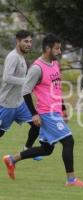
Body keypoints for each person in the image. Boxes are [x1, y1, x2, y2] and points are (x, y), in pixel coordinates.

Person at [2, 34, 83, 187]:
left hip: (55, 111)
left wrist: (62, 108)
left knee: (46, 149)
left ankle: (12, 159)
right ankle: (71, 180)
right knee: (69, 141)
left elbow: (56, 88)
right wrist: (34, 114)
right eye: (57, 48)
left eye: (60, 47)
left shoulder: (55, 63)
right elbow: (25, 91)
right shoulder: (37, 68)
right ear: (48, 48)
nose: (59, 50)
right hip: (46, 113)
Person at [0, 30, 42, 161]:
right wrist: (27, 81)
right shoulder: (13, 57)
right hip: (7, 105)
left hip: (19, 103)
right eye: (26, 41)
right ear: (18, 41)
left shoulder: (21, 57)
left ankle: (27, 149)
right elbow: (7, 78)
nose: (29, 44)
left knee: (37, 124)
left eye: (30, 41)